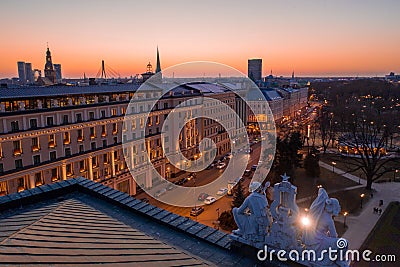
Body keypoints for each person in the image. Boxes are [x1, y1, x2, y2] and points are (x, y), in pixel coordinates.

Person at [303, 188, 349, 267]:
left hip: (313, 239)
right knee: (344, 243)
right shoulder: (329, 220)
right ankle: (338, 260)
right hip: (320, 241)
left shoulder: (318, 213)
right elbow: (334, 236)